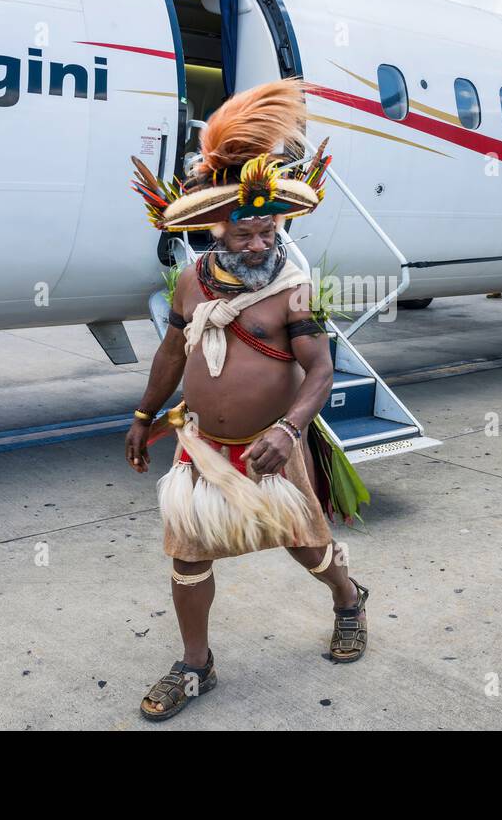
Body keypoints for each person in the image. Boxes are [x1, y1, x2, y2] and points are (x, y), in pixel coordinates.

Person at [125, 78, 369, 722]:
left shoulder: (295, 290)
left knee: (308, 548)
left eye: (268, 232)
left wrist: (289, 432)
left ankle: (348, 599)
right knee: (187, 556)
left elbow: (320, 372)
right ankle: (196, 663)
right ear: (218, 230)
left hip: (273, 448)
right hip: (201, 447)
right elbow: (172, 355)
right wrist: (144, 414)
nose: (259, 245)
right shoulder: (189, 283)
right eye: (245, 235)